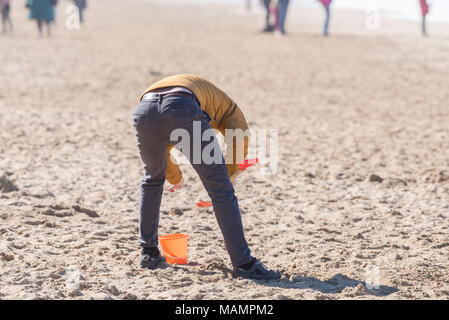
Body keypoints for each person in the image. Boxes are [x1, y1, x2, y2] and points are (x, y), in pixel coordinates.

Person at [132, 74, 281, 280]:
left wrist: (175, 178)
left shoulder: (207, 97)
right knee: (221, 190)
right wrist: (228, 175)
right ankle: (244, 264)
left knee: (151, 180)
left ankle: (148, 253)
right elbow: (239, 136)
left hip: (144, 110)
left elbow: (164, 144)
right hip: (182, 106)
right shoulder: (230, 109)